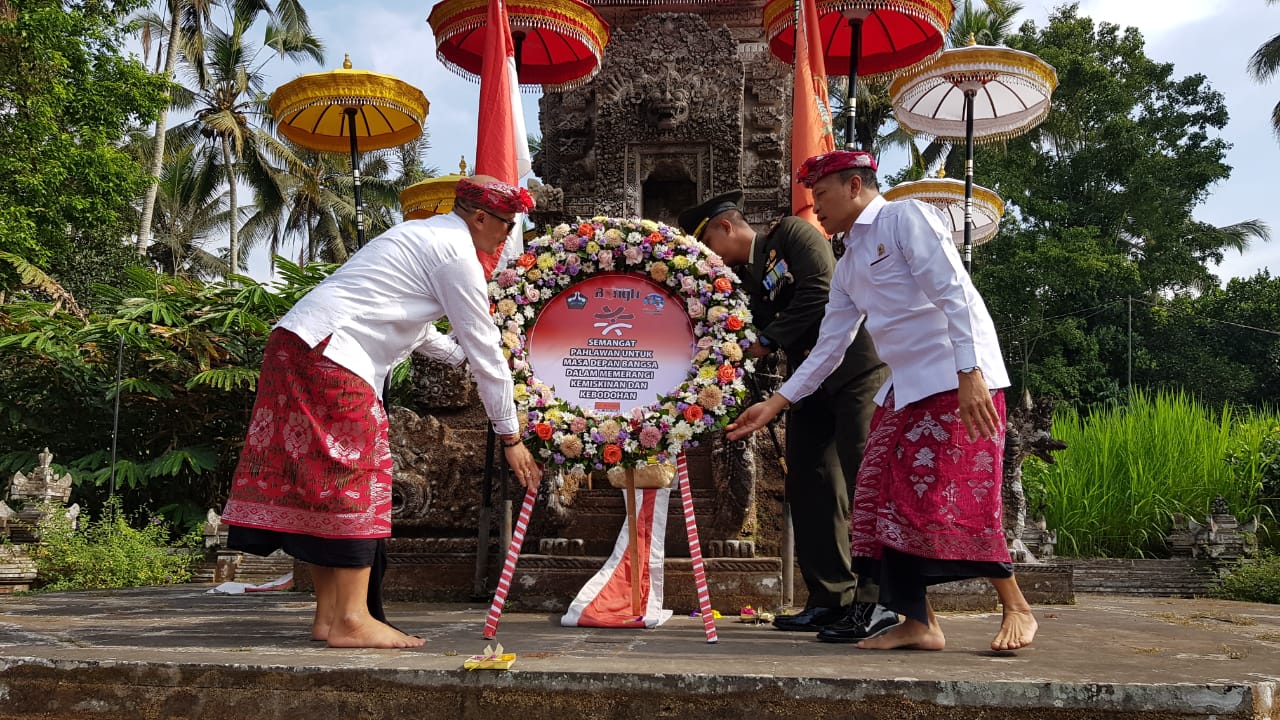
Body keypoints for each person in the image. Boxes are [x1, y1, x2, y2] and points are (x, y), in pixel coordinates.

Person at [727, 151, 1038, 652]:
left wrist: (971, 372)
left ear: (854, 186)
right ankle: (920, 621)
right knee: (878, 495)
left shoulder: (904, 218)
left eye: (821, 194)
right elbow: (830, 346)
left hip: (957, 378)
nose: (816, 207)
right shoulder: (848, 262)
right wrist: (777, 403)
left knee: (959, 493)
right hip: (905, 388)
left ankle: (1016, 606)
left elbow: (955, 292)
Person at [220, 175, 542, 649]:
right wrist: (510, 436)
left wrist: (472, 357)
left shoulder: (417, 235)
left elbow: (420, 331)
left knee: (321, 479)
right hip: (332, 355)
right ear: (479, 218)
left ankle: (330, 616)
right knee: (359, 474)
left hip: (298, 342)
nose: (508, 236)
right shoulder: (457, 256)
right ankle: (353, 619)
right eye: (507, 225)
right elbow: (485, 350)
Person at [677, 192, 897, 640]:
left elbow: (819, 292)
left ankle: (879, 602)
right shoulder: (744, 279)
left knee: (866, 478)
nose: (711, 258)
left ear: (724, 227)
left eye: (709, 245)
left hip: (856, 372)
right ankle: (831, 598)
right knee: (809, 482)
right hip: (807, 383)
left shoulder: (793, 234)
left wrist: (765, 341)